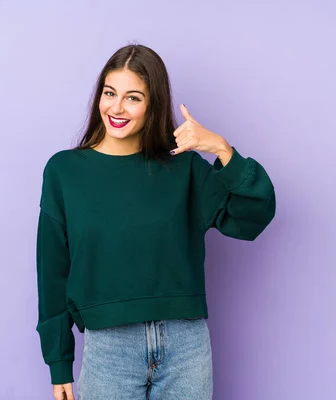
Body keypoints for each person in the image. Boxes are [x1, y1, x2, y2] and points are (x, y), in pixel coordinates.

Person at [35, 44, 276, 400]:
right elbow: (52, 272)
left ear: (154, 105)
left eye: (133, 97)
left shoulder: (184, 169)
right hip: (109, 349)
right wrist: (59, 364)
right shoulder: (65, 172)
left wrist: (222, 150)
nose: (116, 108)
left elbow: (253, 217)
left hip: (186, 347)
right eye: (109, 93)